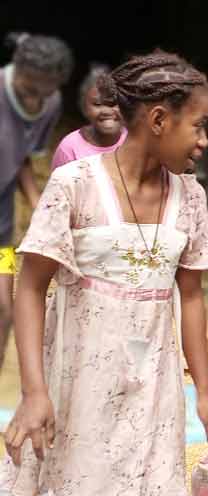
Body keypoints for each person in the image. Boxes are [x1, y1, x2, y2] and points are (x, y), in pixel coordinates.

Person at [0, 51, 208, 496]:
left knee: (154, 485)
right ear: (158, 120)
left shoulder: (190, 197)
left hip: (154, 375)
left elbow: (191, 295)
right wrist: (35, 392)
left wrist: (205, 391)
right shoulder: (74, 185)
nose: (204, 141)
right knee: (94, 484)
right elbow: (30, 287)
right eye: (198, 125)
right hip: (83, 376)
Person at [0, 32, 72, 377]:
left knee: (3, 309)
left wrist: (37, 204)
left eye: (43, 93)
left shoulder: (51, 102)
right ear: (16, 70)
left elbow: (23, 156)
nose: (35, 101)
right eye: (29, 90)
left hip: (1, 226)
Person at [51, 63, 127, 169]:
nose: (106, 111)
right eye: (97, 104)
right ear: (84, 107)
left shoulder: (134, 140)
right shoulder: (69, 147)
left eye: (113, 103)